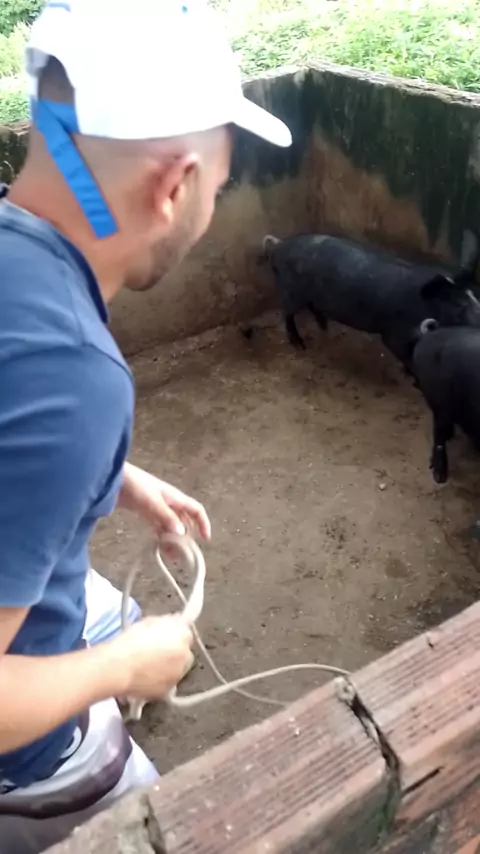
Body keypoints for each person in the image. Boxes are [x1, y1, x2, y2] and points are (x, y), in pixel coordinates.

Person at [0, 0, 291, 851]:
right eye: (218, 190)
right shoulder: (74, 377)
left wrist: (112, 477)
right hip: (22, 761)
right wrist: (121, 668)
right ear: (173, 188)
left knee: (116, 608)